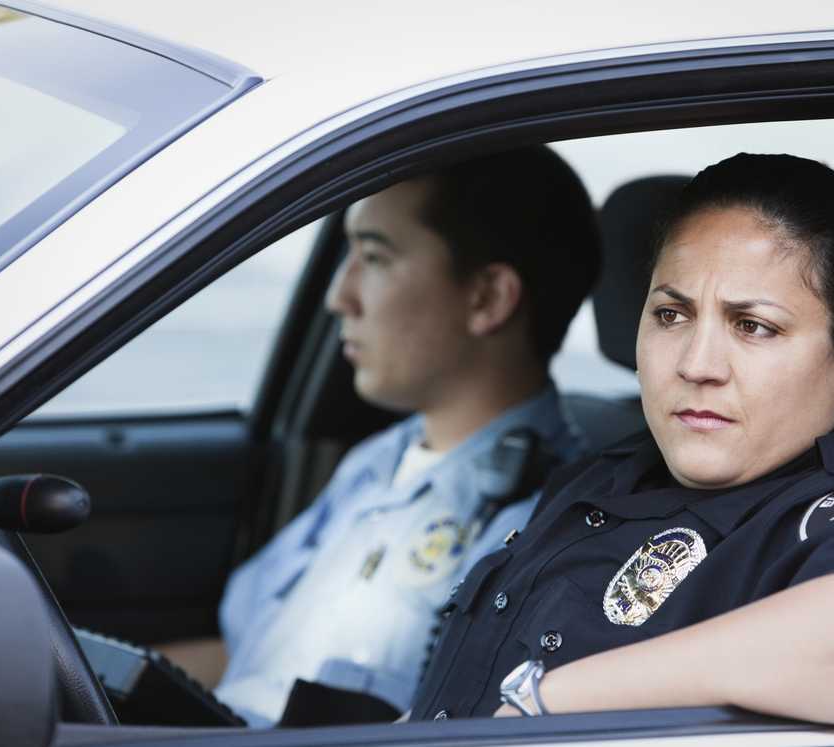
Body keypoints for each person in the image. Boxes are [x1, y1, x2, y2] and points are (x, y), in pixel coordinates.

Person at [410, 153, 834, 727]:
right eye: (672, 315)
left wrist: (547, 702)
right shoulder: (609, 469)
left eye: (753, 326)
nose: (697, 364)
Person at [161, 146, 601, 727]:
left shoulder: (544, 522)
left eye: (373, 256)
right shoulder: (376, 462)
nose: (339, 297)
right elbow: (255, 664)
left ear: (487, 298)